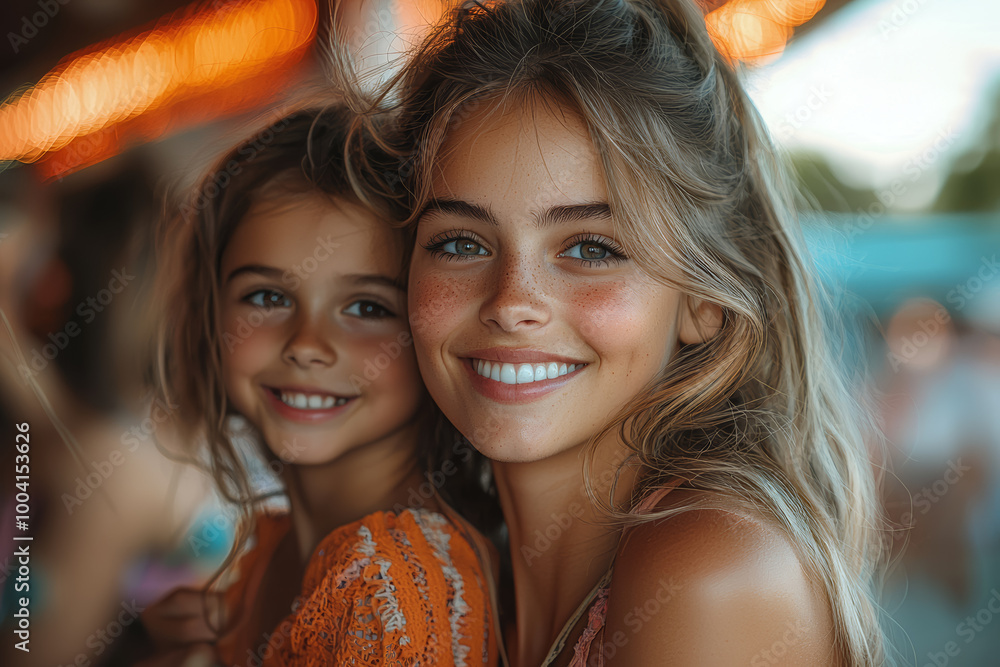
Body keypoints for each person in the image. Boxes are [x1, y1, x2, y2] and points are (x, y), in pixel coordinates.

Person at [355, 0, 889, 664]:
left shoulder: (708, 570)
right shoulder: (444, 580)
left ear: (703, 298)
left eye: (592, 249)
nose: (513, 301)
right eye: (461, 243)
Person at [140, 105, 500, 666]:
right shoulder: (272, 552)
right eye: (267, 297)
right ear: (209, 316)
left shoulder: (388, 590)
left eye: (366, 306)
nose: (307, 343)